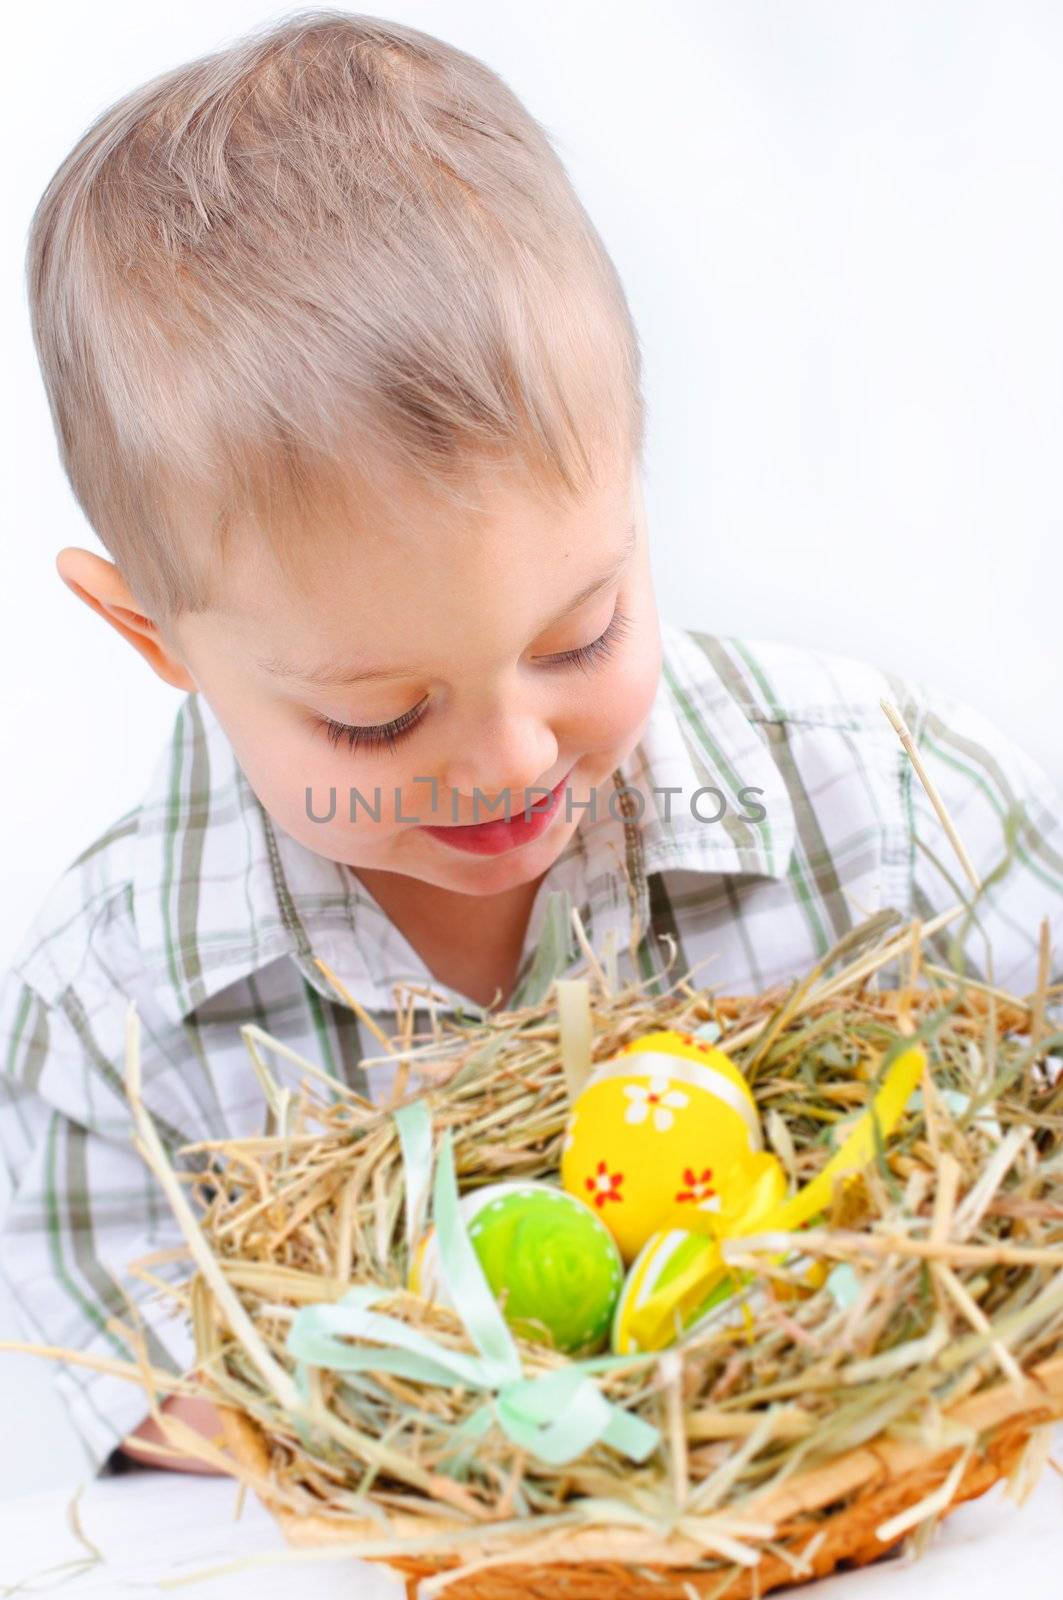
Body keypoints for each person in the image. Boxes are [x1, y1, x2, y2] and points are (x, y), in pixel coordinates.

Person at [1, 10, 1060, 1482]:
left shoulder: (878, 802)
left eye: (579, 637)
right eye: (377, 717)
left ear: (634, 478)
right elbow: (112, 1349)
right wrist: (478, 1439)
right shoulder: (114, 1005)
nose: (506, 757)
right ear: (155, 642)